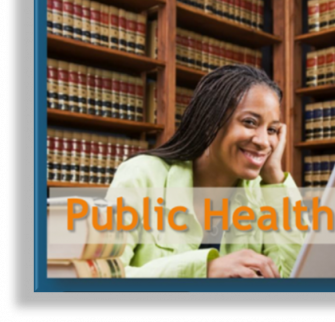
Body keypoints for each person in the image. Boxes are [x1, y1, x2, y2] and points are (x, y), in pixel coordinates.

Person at [107, 65, 307, 278]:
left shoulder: (264, 192)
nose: (263, 141)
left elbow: (297, 276)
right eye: (250, 122)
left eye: (272, 130)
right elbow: (103, 278)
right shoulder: (142, 175)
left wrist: (275, 177)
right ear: (211, 122)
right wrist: (205, 269)